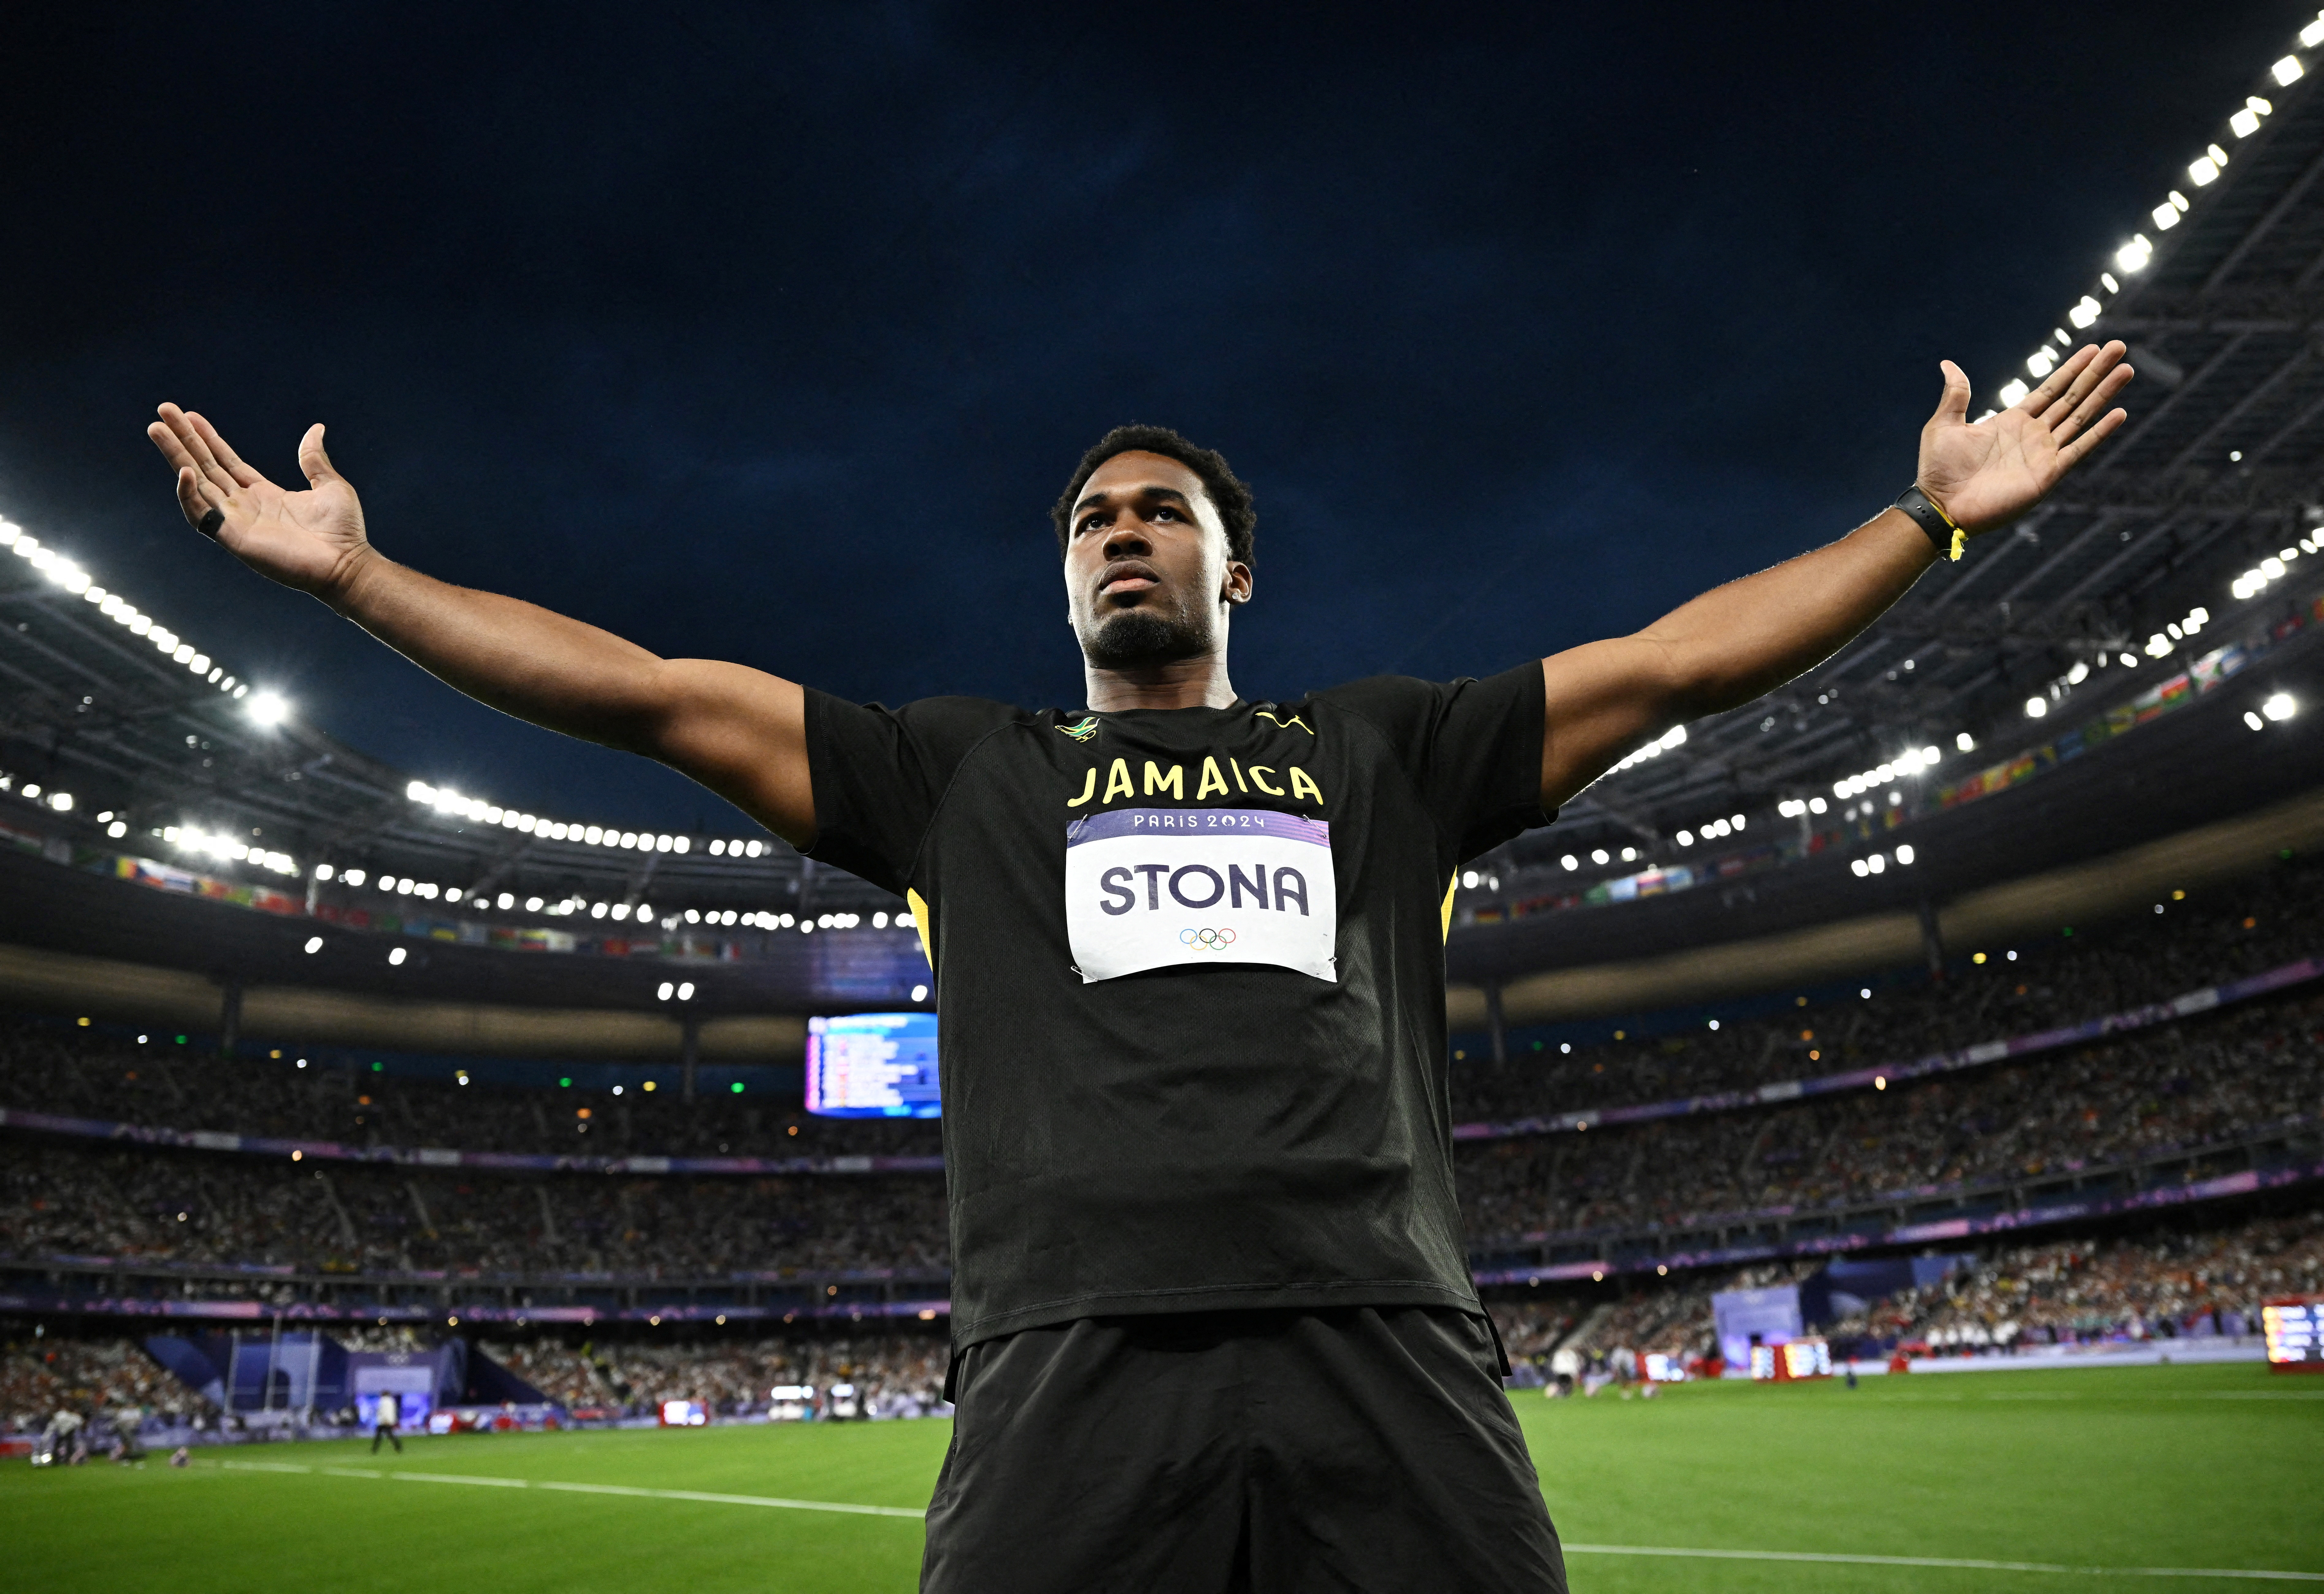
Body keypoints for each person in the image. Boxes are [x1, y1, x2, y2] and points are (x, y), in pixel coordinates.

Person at [147, 341, 2131, 1592]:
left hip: (1382, 1346)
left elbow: (1673, 656)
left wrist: (1916, 527)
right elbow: (660, 698)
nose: (1119, 533)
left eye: (1158, 512)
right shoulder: (955, 774)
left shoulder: (1380, 749)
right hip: (1061, 1364)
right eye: (1090, 517)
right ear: (1059, 570)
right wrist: (364, 581)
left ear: (1227, 567)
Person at [370, 1390, 404, 1454]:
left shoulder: (383, 1402)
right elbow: (393, 1412)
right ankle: (398, 1447)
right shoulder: (392, 1401)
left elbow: (384, 1411)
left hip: (383, 1421)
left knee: (380, 1436)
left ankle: (375, 1449)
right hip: (389, 1421)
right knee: (390, 1435)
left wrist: (385, 1419)